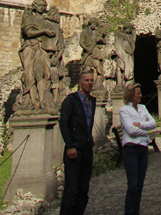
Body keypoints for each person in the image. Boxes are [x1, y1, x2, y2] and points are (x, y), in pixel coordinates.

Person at [59, 70, 96, 215]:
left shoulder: (92, 101)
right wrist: (70, 145)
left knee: (83, 190)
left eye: (91, 80)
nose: (89, 83)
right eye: (86, 80)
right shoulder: (71, 100)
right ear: (80, 82)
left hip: (87, 149)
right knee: (71, 190)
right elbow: (64, 122)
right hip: (75, 149)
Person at [119, 82, 157, 215]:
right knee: (133, 185)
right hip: (130, 148)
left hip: (142, 148)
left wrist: (140, 124)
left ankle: (136, 211)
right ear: (131, 95)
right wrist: (145, 131)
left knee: (139, 184)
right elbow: (130, 130)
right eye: (138, 93)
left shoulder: (142, 108)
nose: (141, 95)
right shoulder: (124, 110)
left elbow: (153, 123)